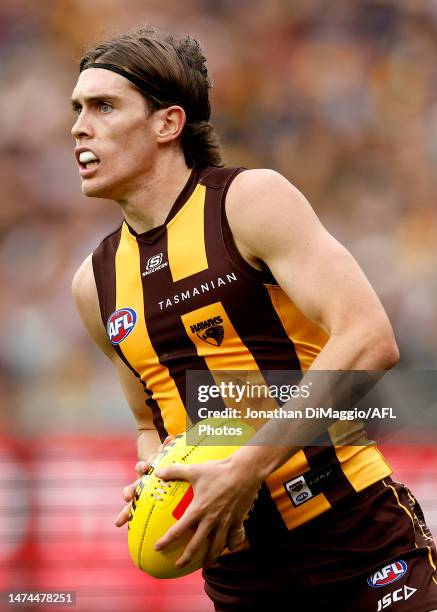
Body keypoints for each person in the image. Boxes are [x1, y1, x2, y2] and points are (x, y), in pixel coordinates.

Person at [71, 25, 437, 611]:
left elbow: (370, 338)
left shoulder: (247, 202)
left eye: (103, 106)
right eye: (77, 108)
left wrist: (248, 467)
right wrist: (154, 477)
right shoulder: (95, 284)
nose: (78, 127)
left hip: (357, 541)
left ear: (167, 123)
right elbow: (153, 423)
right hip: (241, 576)